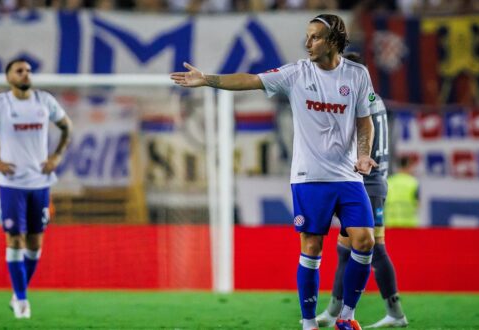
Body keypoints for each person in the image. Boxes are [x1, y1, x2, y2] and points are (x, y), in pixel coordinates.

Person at [171, 14, 377, 330]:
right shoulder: (296, 73)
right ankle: (309, 323)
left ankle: (347, 317)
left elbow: (365, 120)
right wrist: (208, 79)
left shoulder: (358, 75)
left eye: (315, 38)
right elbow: (250, 79)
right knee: (312, 248)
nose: (307, 43)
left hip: (348, 176)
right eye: (307, 37)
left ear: (334, 40)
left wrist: (364, 154)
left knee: (365, 242)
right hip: (309, 178)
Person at [0, 58, 72, 319]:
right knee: (14, 239)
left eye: (28, 71)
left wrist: (56, 156)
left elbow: (67, 128)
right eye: (19, 70)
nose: (25, 74)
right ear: (8, 76)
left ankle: (17, 292)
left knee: (35, 243)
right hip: (11, 184)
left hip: (40, 182)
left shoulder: (45, 101)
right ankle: (22, 300)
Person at [315, 52, 408, 328]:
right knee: (345, 249)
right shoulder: (372, 98)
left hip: (369, 181)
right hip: (364, 181)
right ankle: (334, 311)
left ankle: (395, 313)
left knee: (375, 247)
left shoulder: (360, 100)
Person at [385, 156, 419, 227]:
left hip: (391, 222)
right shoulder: (413, 182)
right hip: (408, 222)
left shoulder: (389, 181)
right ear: (408, 166)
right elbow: (418, 203)